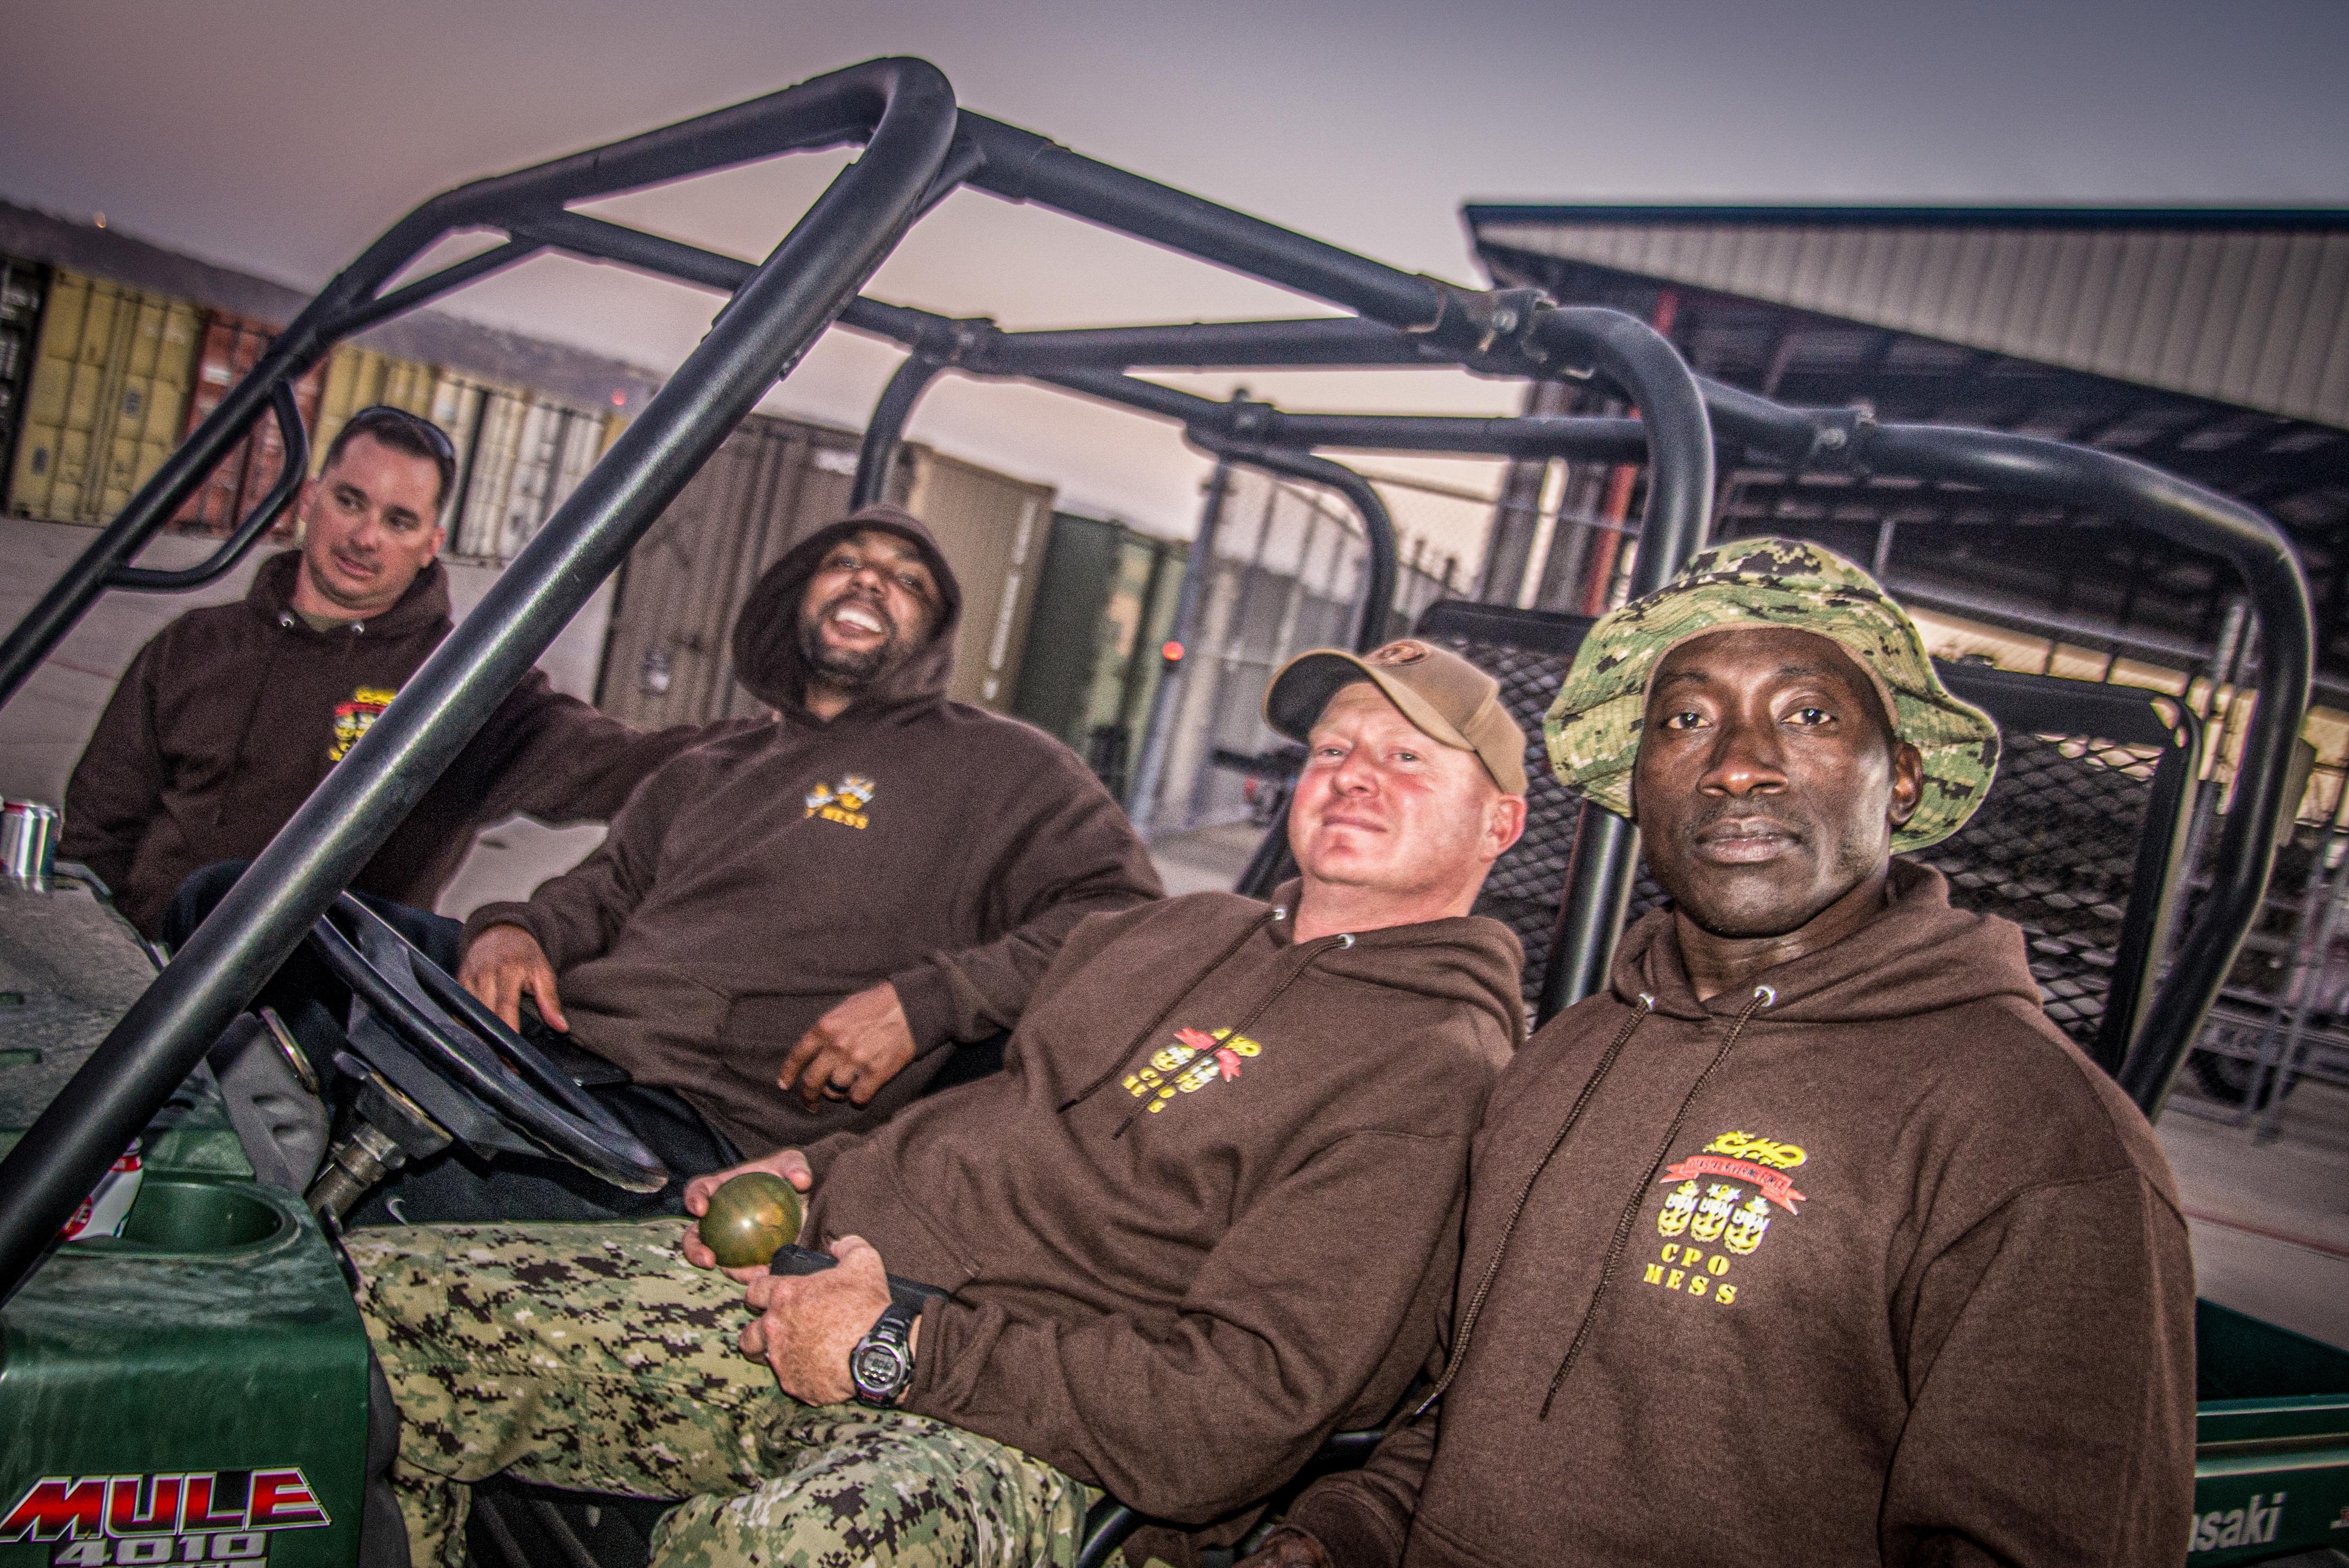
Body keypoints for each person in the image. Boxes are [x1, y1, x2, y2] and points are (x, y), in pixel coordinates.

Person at [352, 640, 1533, 1568]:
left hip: (1028, 1432)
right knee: (372, 1312)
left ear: (1499, 823)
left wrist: (899, 1348)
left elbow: (1234, 1409)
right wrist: (820, 1166)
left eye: (1407, 758)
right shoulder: (1185, 930)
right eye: (1332, 749)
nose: (1353, 775)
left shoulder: (1430, 1068)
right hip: (834, 1286)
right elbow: (1002, 1112)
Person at [1257, 539, 2197, 1568]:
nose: (1738, 764)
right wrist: (1334, 1539)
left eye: (1807, 715)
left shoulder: (2036, 1141)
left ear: (1900, 780)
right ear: (1638, 781)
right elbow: (1460, 1415)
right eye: (1685, 720)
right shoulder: (1567, 1057)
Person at [358, 502, 1163, 1218]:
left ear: (936, 632)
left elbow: (1128, 918)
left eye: (907, 580)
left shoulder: (1000, 768)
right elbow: (607, 889)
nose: (870, 580)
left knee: (391, 1209)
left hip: (694, 1123)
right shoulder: (713, 763)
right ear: (796, 597)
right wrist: (516, 928)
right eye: (845, 562)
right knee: (310, 933)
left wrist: (928, 1002)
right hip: (562, 1044)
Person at [61, 405, 692, 938]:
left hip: (319, 1008)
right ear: (311, 497)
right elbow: (98, 830)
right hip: (150, 971)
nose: (365, 537)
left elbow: (608, 761)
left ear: (430, 543)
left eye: (399, 521)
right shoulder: (193, 647)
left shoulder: (458, 688)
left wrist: (746, 756)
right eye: (350, 501)